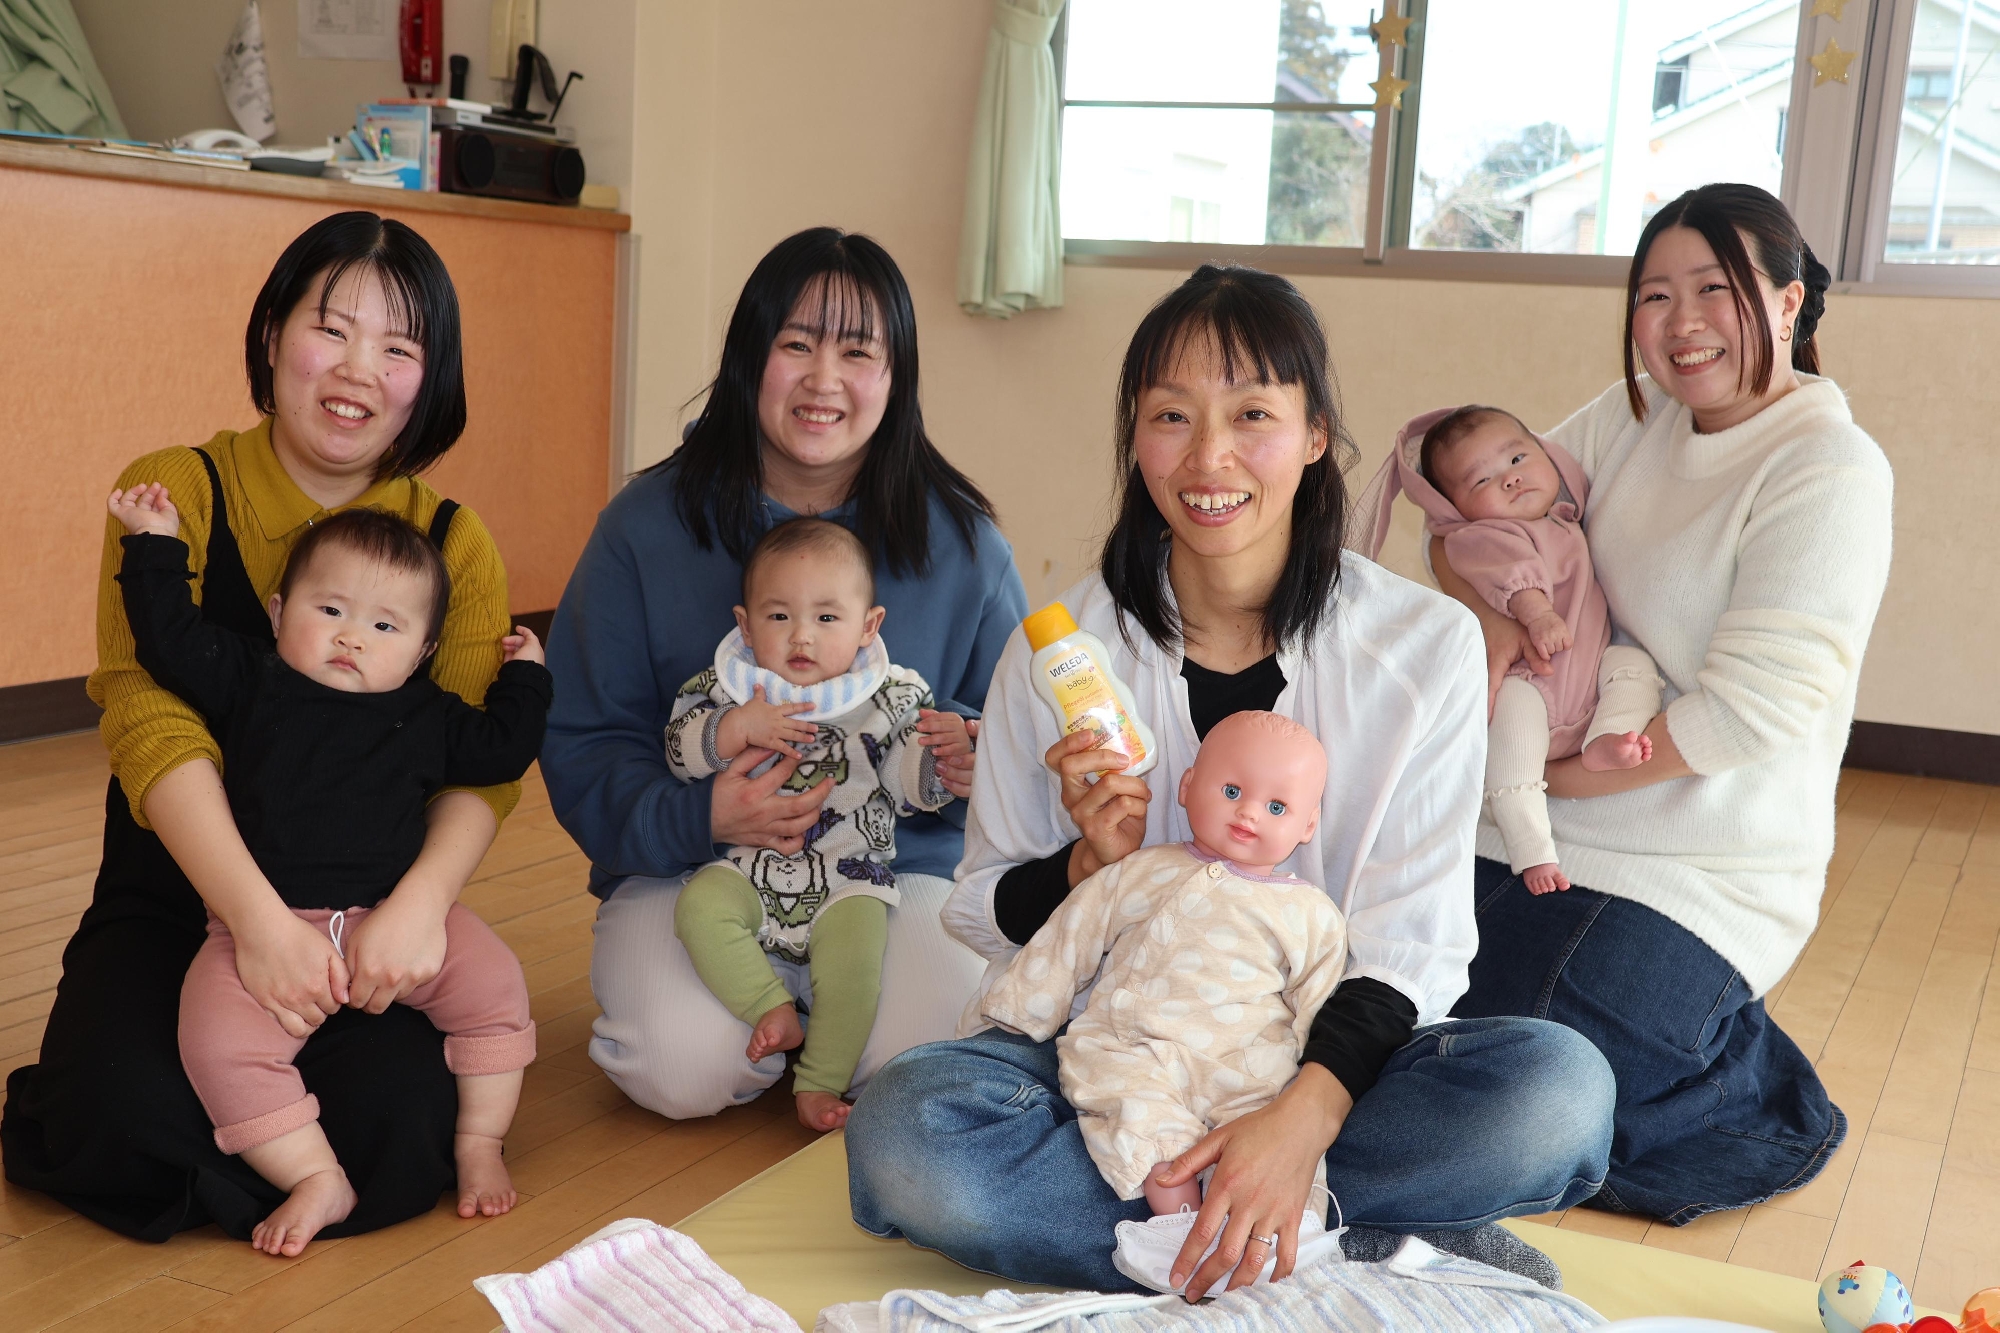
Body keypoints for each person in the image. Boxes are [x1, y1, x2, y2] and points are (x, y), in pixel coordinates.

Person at [846, 264, 1615, 1301]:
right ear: (1134, 438)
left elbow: (1410, 944)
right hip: (1115, 1068)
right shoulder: (1061, 654)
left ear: (1314, 433)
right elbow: (984, 910)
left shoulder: (1421, 644)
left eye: (1251, 414)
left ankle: (1186, 1228)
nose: (1208, 456)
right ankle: (1329, 1236)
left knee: (1557, 1091)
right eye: (1171, 415)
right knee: (904, 1127)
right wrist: (1084, 865)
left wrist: (1295, 1123)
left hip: (1323, 1063)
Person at [3, 212, 524, 1242]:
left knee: (400, 1122)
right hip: (181, 895)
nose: (358, 369)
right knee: (114, 1110)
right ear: (274, 333)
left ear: (431, 378)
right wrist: (256, 924)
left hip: (364, 913)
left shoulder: (455, 543)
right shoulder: (173, 492)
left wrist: (419, 908)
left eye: (399, 347)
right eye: (330, 328)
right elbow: (150, 720)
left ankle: (291, 1165)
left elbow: (478, 759)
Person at [1446, 183, 1895, 1224]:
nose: (1681, 322)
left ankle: (1733, 1070)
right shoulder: (1631, 414)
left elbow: (1747, 713)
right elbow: (1471, 503)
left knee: (1515, 1075)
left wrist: (1547, 777)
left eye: (1715, 289)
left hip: (1692, 869)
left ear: (1787, 301)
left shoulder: (1828, 467)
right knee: (1376, 1002)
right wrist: (1488, 610)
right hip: (1517, 823)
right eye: (1654, 294)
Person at [542, 227, 1028, 1120]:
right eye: (796, 343)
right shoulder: (644, 525)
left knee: (932, 1056)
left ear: (897, 375)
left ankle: (823, 1028)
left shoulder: (964, 543)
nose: (823, 380)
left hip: (890, 877)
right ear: (747, 357)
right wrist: (700, 815)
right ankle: (775, 1021)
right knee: (676, 1068)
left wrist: (963, 762)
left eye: (858, 352)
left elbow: (1012, 743)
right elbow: (587, 738)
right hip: (694, 870)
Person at [106, 491, 550, 1255]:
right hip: (260, 930)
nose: (352, 637)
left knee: (498, 989)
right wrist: (154, 545)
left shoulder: (430, 713)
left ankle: (480, 1140)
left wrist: (528, 678)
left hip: (399, 918)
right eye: (331, 610)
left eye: (385, 626)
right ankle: (315, 1175)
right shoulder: (250, 679)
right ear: (279, 613)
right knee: (213, 1044)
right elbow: (169, 642)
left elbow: (503, 751)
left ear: (423, 651)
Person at [979, 711, 1348, 1294]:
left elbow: (1320, 1002)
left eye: (1277, 807)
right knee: (1138, 1113)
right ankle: (1178, 1228)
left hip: (1247, 1063)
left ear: (1307, 825)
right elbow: (1072, 935)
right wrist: (1023, 1009)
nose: (1250, 814)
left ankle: (1282, 1230)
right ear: (1187, 786)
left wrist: (1307, 1084)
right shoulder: (1139, 871)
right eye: (1232, 792)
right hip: (1134, 1046)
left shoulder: (1311, 914)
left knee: (1271, 1124)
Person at [666, 518, 966, 1132]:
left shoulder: (892, 696)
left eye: (827, 617)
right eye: (778, 616)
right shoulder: (726, 691)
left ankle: (820, 1081)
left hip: (849, 878)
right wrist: (732, 729)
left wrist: (938, 760)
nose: (801, 635)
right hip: (746, 867)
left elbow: (907, 790)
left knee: (855, 969)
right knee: (698, 907)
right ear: (745, 625)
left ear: (869, 627)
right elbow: (679, 753)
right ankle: (770, 1006)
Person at [1350, 405, 1663, 896]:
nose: (1511, 479)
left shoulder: (1564, 517)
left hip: (1588, 676)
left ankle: (1608, 736)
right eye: (1482, 481)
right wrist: (1537, 615)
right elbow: (1514, 576)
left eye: (1517, 459)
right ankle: (1532, 850)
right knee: (1513, 758)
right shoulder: (1483, 536)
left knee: (1634, 666)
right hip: (1527, 679)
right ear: (1454, 508)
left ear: (1547, 454)